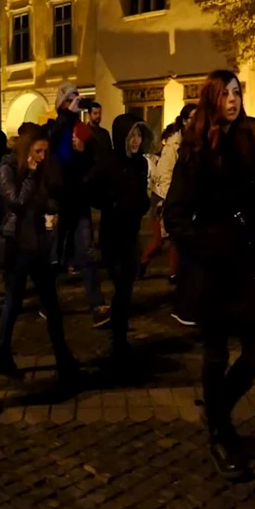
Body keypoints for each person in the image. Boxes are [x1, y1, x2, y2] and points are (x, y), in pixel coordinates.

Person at [164, 70, 255, 480]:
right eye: (225, 93)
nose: (233, 98)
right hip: (213, 268)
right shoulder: (194, 149)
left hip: (247, 263)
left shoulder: (250, 143)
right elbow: (174, 214)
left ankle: (217, 411)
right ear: (213, 99)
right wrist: (207, 244)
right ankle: (219, 431)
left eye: (237, 92)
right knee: (216, 354)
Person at [0, 124, 81, 385]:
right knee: (13, 303)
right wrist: (31, 175)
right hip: (16, 244)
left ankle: (63, 355)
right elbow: (17, 201)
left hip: (38, 243)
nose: (43, 156)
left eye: (46, 151)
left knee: (52, 305)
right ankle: (2, 355)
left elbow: (48, 196)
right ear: (27, 149)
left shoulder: (42, 166)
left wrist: (51, 211)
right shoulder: (7, 167)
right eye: (38, 151)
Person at [87, 114, 152, 365]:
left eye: (138, 135)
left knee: (126, 288)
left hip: (131, 233)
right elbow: (89, 188)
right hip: (112, 235)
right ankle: (119, 339)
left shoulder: (140, 164)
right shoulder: (108, 162)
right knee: (122, 286)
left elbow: (140, 192)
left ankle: (119, 334)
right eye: (131, 136)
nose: (135, 141)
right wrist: (110, 203)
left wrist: (143, 204)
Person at [46, 81, 110, 328]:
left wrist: (83, 151)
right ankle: (47, 303)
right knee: (55, 257)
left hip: (79, 200)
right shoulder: (55, 127)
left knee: (87, 254)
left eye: (77, 98)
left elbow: (96, 161)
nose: (76, 102)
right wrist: (66, 116)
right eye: (71, 98)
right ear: (62, 103)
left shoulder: (83, 130)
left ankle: (97, 305)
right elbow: (57, 156)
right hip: (59, 202)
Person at [139, 104, 196, 286]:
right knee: (160, 240)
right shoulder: (172, 146)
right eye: (192, 118)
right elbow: (165, 175)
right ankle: (142, 263)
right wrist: (166, 202)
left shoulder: (192, 142)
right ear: (185, 120)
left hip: (180, 197)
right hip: (165, 197)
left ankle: (174, 273)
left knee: (175, 238)